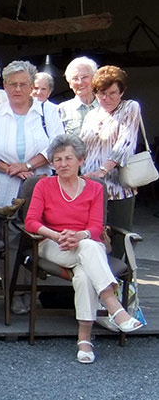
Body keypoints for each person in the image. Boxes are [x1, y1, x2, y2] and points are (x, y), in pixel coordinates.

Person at [25, 134, 143, 364]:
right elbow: (31, 222)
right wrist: (57, 235)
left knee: (84, 274)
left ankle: (84, 340)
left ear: (81, 160)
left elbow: (96, 226)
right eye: (57, 159)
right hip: (53, 243)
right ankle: (114, 307)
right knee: (90, 249)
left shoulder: (95, 188)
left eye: (68, 158)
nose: (63, 164)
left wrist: (80, 235)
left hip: (85, 244)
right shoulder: (44, 185)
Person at [0, 60, 63, 209]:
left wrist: (27, 166)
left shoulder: (48, 111)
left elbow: (57, 145)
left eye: (23, 84)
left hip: (40, 181)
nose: (18, 89)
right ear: (4, 86)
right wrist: (12, 170)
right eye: (12, 84)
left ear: (31, 87)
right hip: (2, 185)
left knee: (40, 226)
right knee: (8, 229)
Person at [80, 66, 142, 255]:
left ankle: (125, 281)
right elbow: (81, 146)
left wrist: (102, 171)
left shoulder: (130, 107)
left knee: (120, 237)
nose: (107, 99)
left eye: (112, 93)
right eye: (102, 94)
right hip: (90, 186)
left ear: (121, 91)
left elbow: (125, 143)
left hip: (117, 187)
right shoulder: (92, 114)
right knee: (93, 236)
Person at [58, 57, 99, 136]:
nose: (80, 82)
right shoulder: (61, 110)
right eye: (75, 78)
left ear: (94, 79)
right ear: (70, 84)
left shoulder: (106, 107)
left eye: (84, 77)